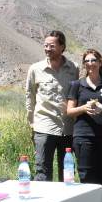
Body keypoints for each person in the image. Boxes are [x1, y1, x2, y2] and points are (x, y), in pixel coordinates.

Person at [25, 30, 79, 181]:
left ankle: (65, 197)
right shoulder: (35, 69)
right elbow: (30, 97)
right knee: (42, 171)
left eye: (52, 46)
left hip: (67, 128)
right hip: (44, 127)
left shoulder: (73, 68)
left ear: (62, 47)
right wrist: (32, 124)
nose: (47, 49)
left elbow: (75, 96)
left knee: (67, 172)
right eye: (45, 45)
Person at [66, 49, 102, 194]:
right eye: (87, 61)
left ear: (100, 63)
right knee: (86, 174)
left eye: (93, 60)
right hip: (83, 136)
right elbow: (69, 111)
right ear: (84, 64)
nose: (90, 63)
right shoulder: (77, 85)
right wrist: (84, 108)